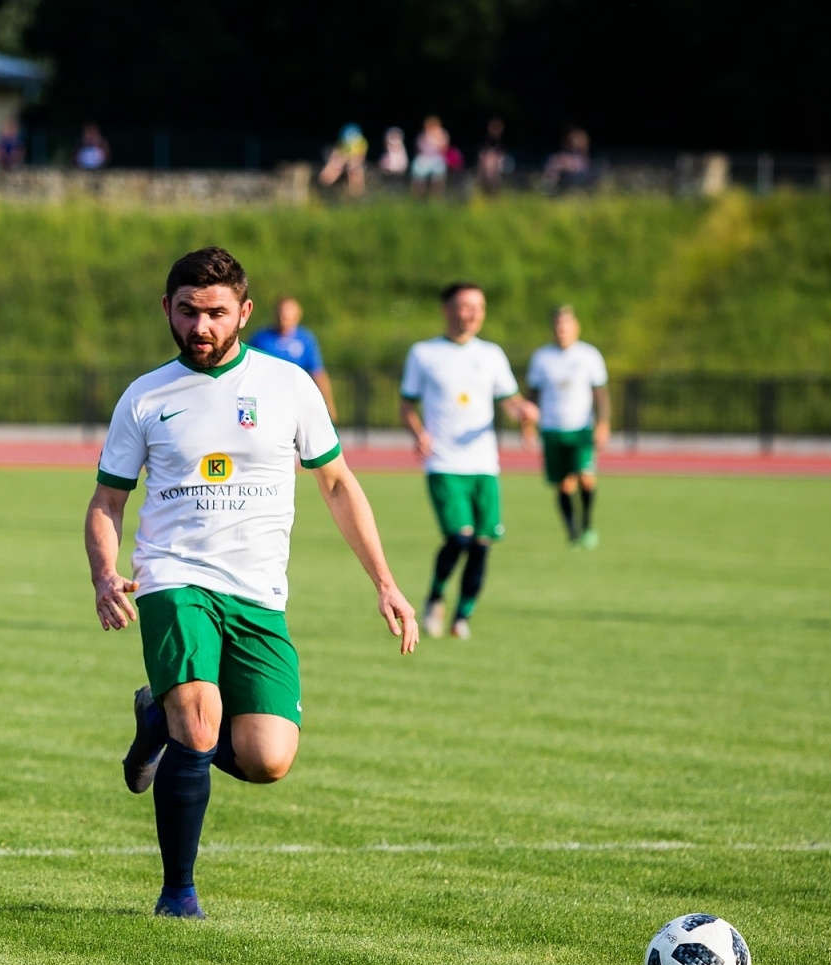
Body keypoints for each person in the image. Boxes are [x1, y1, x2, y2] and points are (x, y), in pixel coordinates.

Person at [86, 247, 418, 920]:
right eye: (187, 311)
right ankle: (178, 894)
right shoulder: (145, 396)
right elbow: (107, 501)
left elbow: (337, 484)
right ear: (167, 309)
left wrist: (385, 582)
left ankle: (156, 717)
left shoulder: (288, 385)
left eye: (215, 312)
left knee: (267, 758)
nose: (200, 326)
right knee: (199, 719)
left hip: (259, 593)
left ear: (244, 312)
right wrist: (103, 573)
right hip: (173, 577)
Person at [399, 283, 539, 640]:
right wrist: (418, 432)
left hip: (485, 466)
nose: (474, 313)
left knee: (481, 544)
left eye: (480, 307)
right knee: (459, 538)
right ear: (447, 309)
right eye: (466, 306)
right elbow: (407, 404)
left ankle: (462, 618)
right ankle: (435, 598)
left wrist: (523, 411)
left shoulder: (491, 354)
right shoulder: (424, 353)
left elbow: (509, 401)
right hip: (444, 464)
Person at [524, 306, 609, 548]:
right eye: (558, 325)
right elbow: (533, 393)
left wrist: (603, 424)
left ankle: (587, 523)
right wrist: (528, 426)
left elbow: (600, 394)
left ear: (576, 327)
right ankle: (572, 532)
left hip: (581, 428)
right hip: (552, 428)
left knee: (586, 478)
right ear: (553, 329)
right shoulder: (542, 357)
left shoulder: (589, 355)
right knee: (564, 484)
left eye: (567, 325)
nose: (562, 330)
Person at [248, 296, 338, 422]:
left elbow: (318, 373)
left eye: (288, 313)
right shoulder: (260, 339)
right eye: (281, 313)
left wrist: (329, 405)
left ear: (297, 316)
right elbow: (247, 369)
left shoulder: (306, 340)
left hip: (296, 399)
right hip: (266, 398)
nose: (284, 317)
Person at [318, 124, 368, 196]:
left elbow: (360, 157)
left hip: (353, 164)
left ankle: (357, 194)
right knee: (333, 166)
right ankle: (322, 188)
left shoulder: (362, 143)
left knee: (355, 170)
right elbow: (336, 153)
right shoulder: (341, 142)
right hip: (340, 163)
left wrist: (350, 161)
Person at [410, 116, 449, 197]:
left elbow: (444, 148)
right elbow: (418, 148)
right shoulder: (422, 135)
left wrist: (437, 138)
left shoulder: (442, 134)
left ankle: (436, 196)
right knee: (418, 172)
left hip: (437, 158)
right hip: (424, 158)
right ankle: (417, 195)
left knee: (438, 176)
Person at [544, 128, 592, 192]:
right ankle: (548, 184)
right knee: (555, 160)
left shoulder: (582, 157)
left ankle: (548, 186)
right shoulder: (563, 154)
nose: (573, 142)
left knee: (558, 163)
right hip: (564, 172)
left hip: (578, 174)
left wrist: (567, 164)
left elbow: (582, 167)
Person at [476, 118, 510, 194]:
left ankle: (494, 187)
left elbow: (503, 152)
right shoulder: (486, 139)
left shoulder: (503, 139)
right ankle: (486, 185)